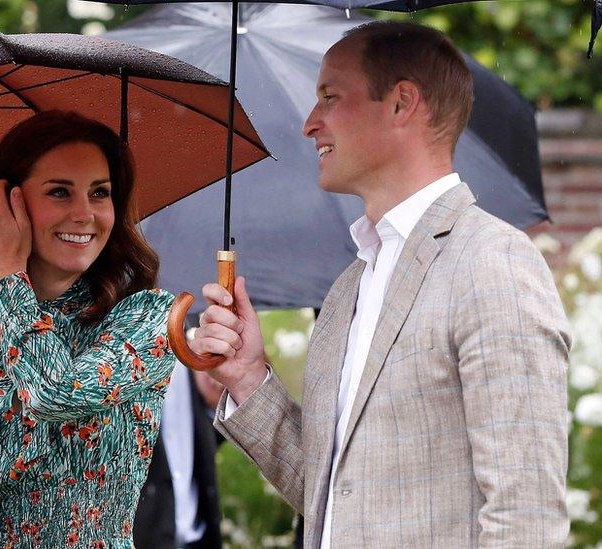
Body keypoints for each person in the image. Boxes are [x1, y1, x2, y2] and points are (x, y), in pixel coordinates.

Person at [190, 21, 571, 547]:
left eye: (329, 97)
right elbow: (336, 500)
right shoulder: (349, 287)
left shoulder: (492, 262)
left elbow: (525, 515)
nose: (309, 123)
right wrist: (249, 378)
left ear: (401, 104)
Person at [0, 110, 176, 548]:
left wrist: (10, 273)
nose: (84, 213)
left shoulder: (144, 318)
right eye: (59, 192)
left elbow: (56, 394)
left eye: (100, 193)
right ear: (5, 202)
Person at [134, 361, 223, 549]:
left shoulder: (194, 336)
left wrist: (216, 403)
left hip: (197, 536)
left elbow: (206, 439)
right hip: (141, 538)